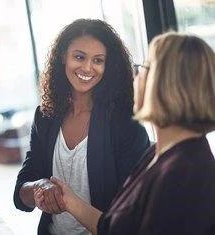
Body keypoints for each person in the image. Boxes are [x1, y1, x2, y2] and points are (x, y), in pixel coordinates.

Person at [49, 32, 215, 234]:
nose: (135, 77)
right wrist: (69, 200)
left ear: (165, 85)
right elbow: (114, 228)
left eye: (144, 69)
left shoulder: (185, 172)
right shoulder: (157, 154)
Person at [13, 18, 150, 234]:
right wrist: (39, 188)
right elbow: (22, 191)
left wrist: (71, 201)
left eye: (98, 60)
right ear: (62, 57)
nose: (87, 67)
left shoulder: (126, 124)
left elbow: (130, 215)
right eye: (79, 57)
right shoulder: (45, 116)